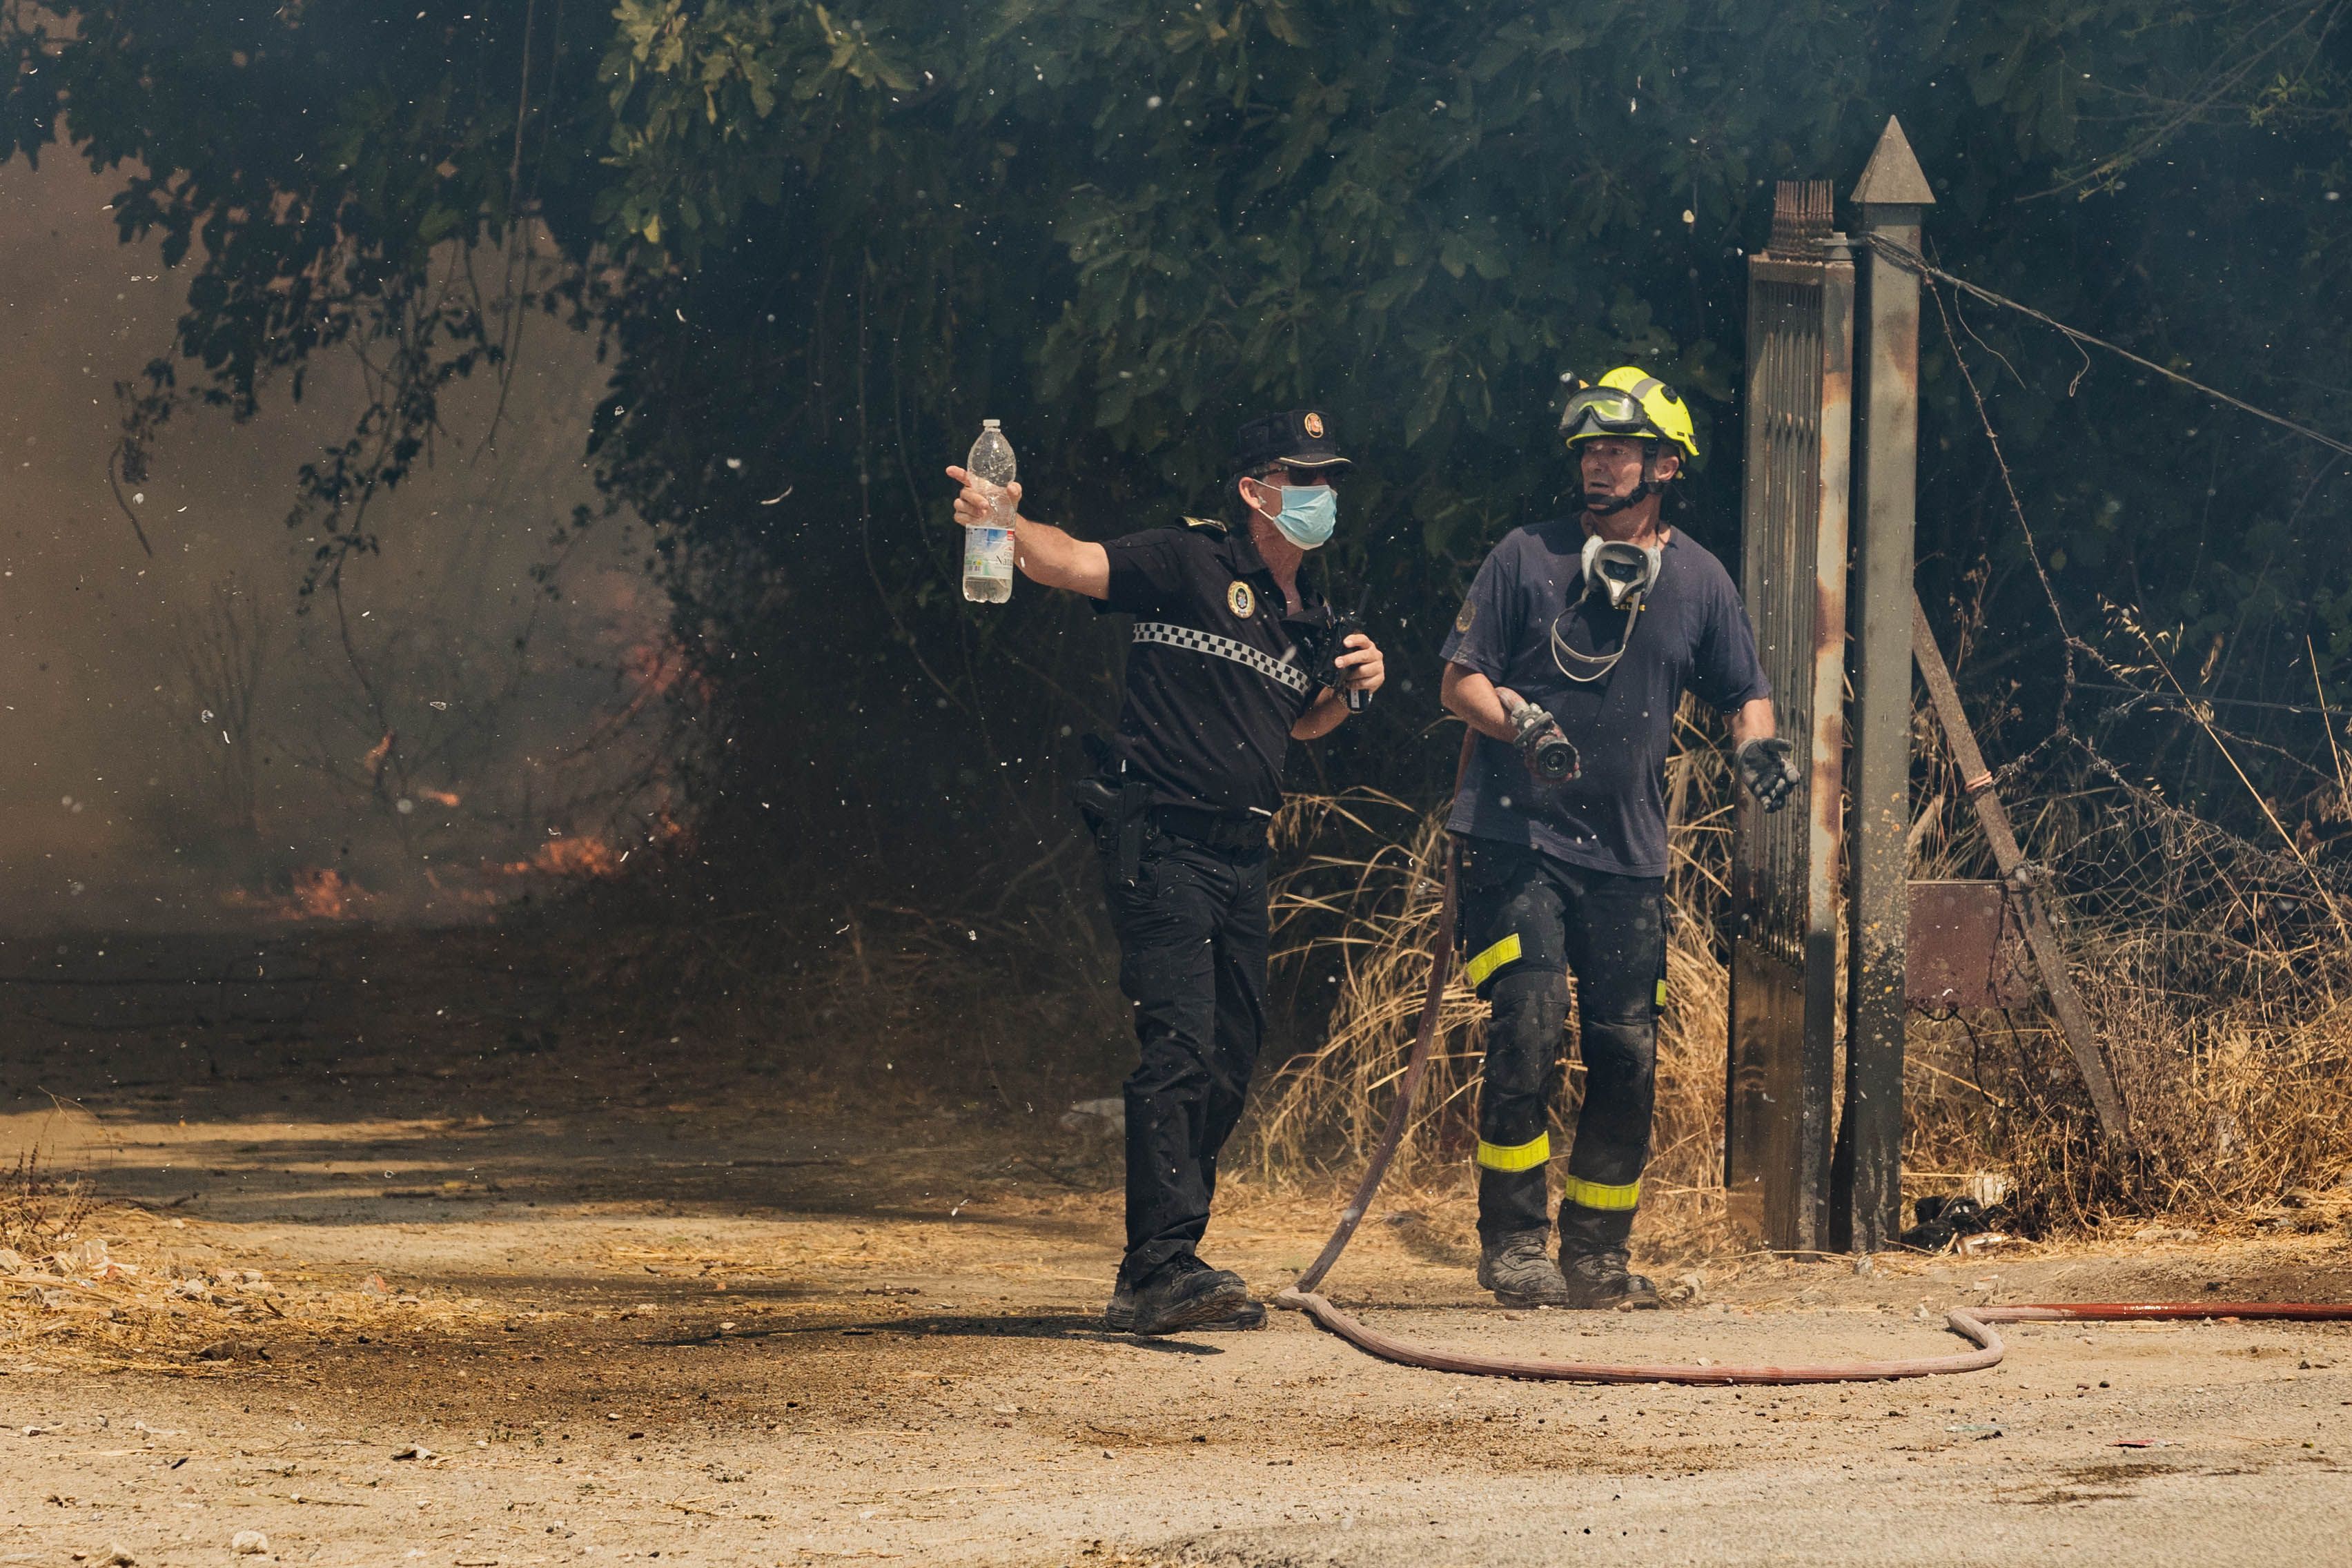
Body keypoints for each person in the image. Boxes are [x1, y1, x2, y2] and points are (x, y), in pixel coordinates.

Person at [945, 410, 1385, 1336]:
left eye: (1327, 480)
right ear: (1252, 492)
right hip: (1165, 840)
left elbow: (1294, 723)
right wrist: (1005, 521)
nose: (1320, 497)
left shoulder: (1300, 615)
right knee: (1181, 1047)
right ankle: (1156, 1270)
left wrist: (1348, 691)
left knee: (1230, 1058)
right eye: (1299, 479)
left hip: (1243, 854)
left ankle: (1176, 1260)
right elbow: (1069, 563)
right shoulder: (1192, 564)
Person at [1438, 366, 1800, 1309]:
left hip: (1630, 861)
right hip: (1516, 843)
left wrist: (1759, 751)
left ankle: (1596, 1255)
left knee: (1627, 1051)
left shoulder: (1699, 582)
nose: (1598, 470)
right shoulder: (1526, 557)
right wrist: (1516, 719)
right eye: (1589, 453)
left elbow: (1743, 692)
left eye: (1619, 453)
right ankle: (1514, 1245)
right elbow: (1455, 682)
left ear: (1665, 467)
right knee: (1528, 1023)